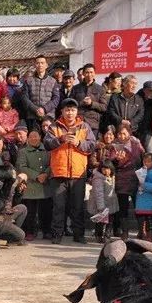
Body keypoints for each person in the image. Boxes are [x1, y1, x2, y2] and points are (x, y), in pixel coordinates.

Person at [43, 98, 96, 243]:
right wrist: (61, 139)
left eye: (72, 110)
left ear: (77, 111)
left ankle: (78, 235)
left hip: (78, 174)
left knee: (78, 207)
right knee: (58, 207)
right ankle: (57, 235)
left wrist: (78, 143)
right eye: (67, 110)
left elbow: (92, 145)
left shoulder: (84, 127)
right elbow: (47, 144)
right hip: (58, 172)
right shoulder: (54, 127)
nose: (70, 113)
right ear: (62, 111)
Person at [15, 129, 52, 241]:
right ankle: (29, 231)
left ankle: (46, 231)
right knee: (30, 212)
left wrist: (45, 174)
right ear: (28, 138)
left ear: (40, 138)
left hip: (45, 185)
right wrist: (36, 176)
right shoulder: (23, 151)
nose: (33, 139)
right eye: (31, 137)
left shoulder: (47, 151)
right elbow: (22, 167)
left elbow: (52, 164)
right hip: (30, 185)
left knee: (45, 211)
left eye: (36, 136)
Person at [110, 123, 143, 239]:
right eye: (119, 134)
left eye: (124, 133)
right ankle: (125, 232)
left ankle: (141, 231)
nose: (122, 136)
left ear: (129, 133)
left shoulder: (136, 144)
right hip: (122, 179)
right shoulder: (114, 146)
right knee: (122, 207)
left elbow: (143, 157)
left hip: (135, 178)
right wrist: (116, 159)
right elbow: (110, 163)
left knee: (138, 206)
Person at [22, 55, 59, 130]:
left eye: (42, 63)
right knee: (34, 139)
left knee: (49, 138)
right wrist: (35, 109)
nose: (40, 65)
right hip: (32, 116)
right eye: (38, 63)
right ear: (35, 65)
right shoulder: (28, 81)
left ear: (46, 65)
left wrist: (44, 109)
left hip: (48, 116)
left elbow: (56, 98)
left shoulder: (53, 81)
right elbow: (24, 98)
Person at [71, 63, 107, 137]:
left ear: (94, 73)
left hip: (93, 123)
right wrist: (81, 102)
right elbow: (71, 104)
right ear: (83, 73)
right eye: (87, 72)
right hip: (78, 121)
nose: (89, 74)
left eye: (91, 72)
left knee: (91, 146)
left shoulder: (100, 89)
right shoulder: (76, 88)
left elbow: (104, 107)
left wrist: (92, 104)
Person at [87, 159, 119, 242]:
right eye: (104, 169)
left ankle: (107, 236)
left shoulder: (112, 177)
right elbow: (99, 193)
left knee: (110, 221)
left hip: (110, 203)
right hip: (101, 204)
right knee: (100, 221)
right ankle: (99, 235)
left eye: (108, 169)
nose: (106, 171)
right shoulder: (98, 179)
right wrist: (101, 206)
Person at [134, 153, 152, 241]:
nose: (146, 163)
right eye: (144, 161)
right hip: (141, 201)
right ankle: (142, 233)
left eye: (149, 162)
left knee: (150, 220)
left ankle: (151, 234)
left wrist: (144, 185)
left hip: (150, 202)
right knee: (141, 220)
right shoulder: (141, 172)